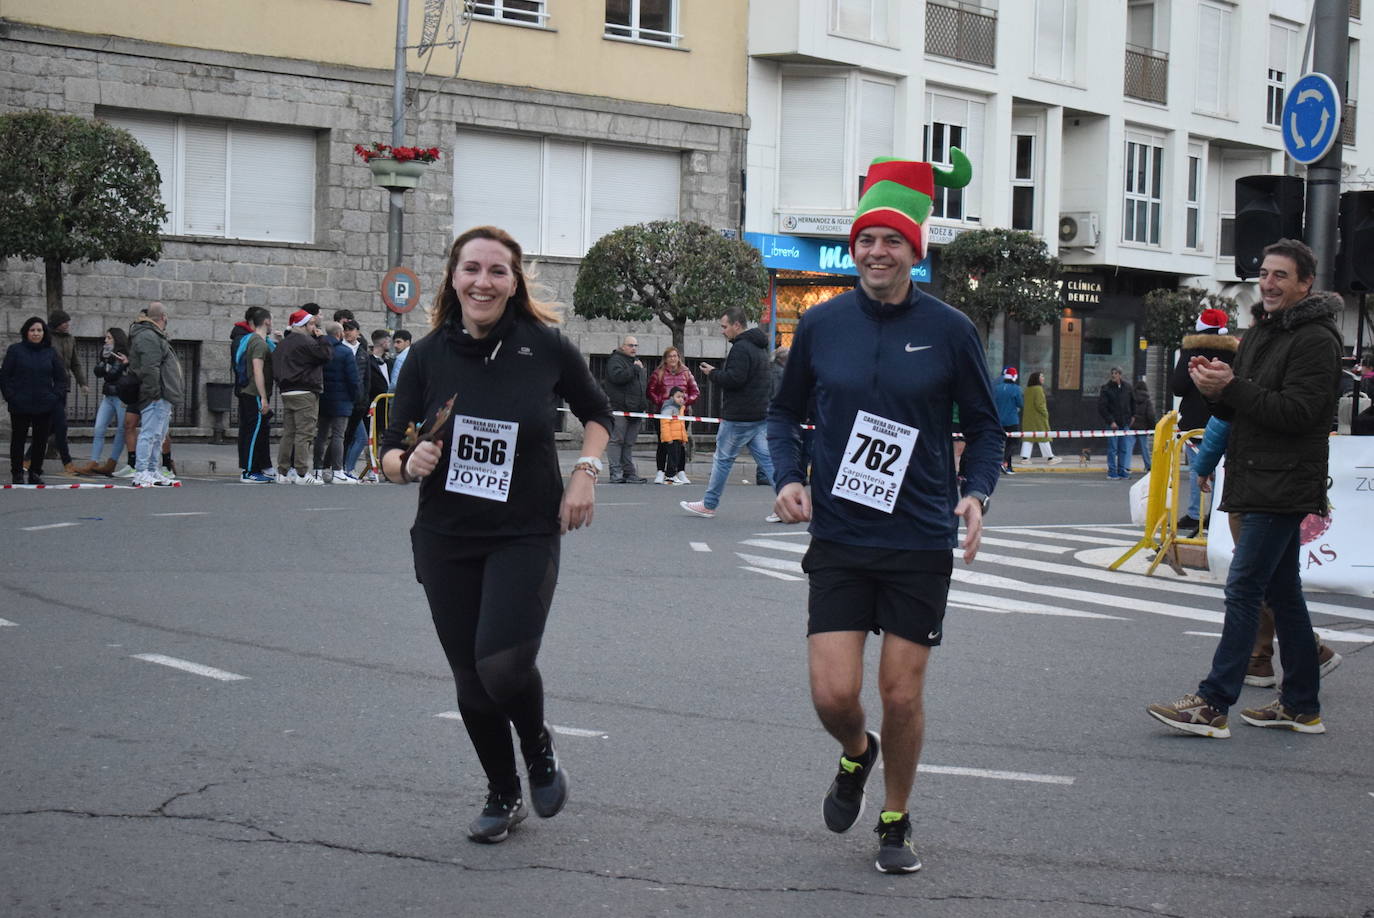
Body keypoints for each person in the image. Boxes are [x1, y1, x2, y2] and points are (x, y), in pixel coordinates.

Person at [769, 151, 1003, 874]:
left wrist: (976, 490)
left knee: (901, 694)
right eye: (866, 239)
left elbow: (988, 426)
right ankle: (855, 754)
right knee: (835, 694)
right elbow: (784, 415)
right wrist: (787, 476)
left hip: (917, 535)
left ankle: (895, 819)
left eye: (891, 240)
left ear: (914, 251)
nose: (876, 251)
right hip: (840, 531)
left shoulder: (951, 329)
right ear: (855, 248)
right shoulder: (823, 324)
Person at [380, 225, 612, 844]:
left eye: (497, 271)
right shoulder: (427, 355)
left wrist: (585, 474)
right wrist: (408, 464)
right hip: (446, 536)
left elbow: (598, 414)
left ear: (514, 283)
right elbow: (390, 449)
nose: (483, 281)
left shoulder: (544, 345)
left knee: (504, 668)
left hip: (525, 532)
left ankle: (537, 746)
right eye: (472, 269)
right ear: (453, 278)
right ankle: (503, 792)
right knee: (471, 681)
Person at [1148, 239, 1342, 738]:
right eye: (1264, 273)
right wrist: (1217, 391)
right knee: (1282, 592)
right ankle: (1301, 704)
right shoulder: (1258, 332)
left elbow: (1299, 414)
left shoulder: (1317, 339)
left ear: (1305, 284)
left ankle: (1213, 703)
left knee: (1244, 587)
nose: (1269, 283)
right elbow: (1242, 409)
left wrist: (1231, 388)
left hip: (1285, 483)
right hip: (1256, 477)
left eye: (1281, 275)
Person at [1188, 414, 1343, 686]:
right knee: (1275, 583)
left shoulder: (1255, 378)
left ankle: (1304, 653)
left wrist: (1203, 464)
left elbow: (1222, 420)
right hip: (1277, 484)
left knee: (1254, 584)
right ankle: (1263, 661)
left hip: (1258, 486)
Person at [680, 307, 775, 519]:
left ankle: (709, 504)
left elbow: (735, 379)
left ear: (736, 325)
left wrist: (713, 373)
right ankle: (789, 503)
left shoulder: (741, 348)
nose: (723, 331)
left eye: (724, 327)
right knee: (768, 461)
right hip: (758, 414)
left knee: (722, 460)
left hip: (739, 416)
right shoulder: (760, 348)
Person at [1170, 308, 1238, 531]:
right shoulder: (1235, 351)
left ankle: (1195, 513)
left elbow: (1178, 386)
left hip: (1195, 420)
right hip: (1227, 416)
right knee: (1224, 470)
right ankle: (1219, 513)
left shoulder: (1192, 350)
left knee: (1197, 469)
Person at [2, 316, 68, 486]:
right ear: (26, 332)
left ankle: (35, 472)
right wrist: (11, 396)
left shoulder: (50, 352)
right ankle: (17, 472)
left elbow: (61, 378)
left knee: (40, 441)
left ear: (44, 333)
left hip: (44, 404)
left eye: (39, 330)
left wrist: (54, 397)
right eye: (32, 330)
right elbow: (5, 376)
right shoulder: (15, 350)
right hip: (20, 403)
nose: (36, 333)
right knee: (18, 439)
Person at [271, 308, 333, 485]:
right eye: (311, 324)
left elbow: (275, 366)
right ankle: (301, 473)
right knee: (304, 433)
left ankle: (282, 472)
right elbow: (326, 355)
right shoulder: (306, 341)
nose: (314, 327)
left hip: (286, 391)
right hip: (305, 391)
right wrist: (321, 338)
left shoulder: (283, 343)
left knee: (289, 433)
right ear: (303, 325)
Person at [127, 303, 184, 488]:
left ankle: (152, 470)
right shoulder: (148, 335)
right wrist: (155, 393)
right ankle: (141, 471)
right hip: (156, 394)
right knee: (149, 434)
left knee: (158, 435)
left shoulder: (152, 335)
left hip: (162, 393)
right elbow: (150, 367)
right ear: (163, 317)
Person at [26, 309, 85, 476]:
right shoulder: (47, 339)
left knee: (49, 428)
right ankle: (67, 462)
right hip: (48, 389)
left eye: (68, 321)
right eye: (64, 321)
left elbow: (75, 363)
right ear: (56, 323)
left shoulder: (70, 339)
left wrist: (83, 383)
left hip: (62, 387)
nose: (67, 324)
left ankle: (28, 459)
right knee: (61, 426)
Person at [313, 320, 362, 485]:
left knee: (321, 435)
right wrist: (355, 397)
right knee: (338, 435)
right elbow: (353, 378)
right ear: (339, 333)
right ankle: (337, 471)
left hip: (323, 398)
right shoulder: (345, 352)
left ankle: (317, 470)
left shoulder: (319, 349)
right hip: (341, 399)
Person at [80, 327, 132, 476]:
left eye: (109, 338)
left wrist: (112, 362)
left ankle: (112, 462)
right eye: (106, 338)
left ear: (116, 339)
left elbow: (112, 375)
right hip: (108, 395)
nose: (106, 341)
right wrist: (104, 360)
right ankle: (93, 461)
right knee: (99, 428)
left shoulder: (122, 354)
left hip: (121, 396)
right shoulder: (108, 354)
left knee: (121, 430)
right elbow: (98, 372)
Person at [646, 345, 699, 484]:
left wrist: (685, 402)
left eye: (675, 356)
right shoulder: (659, 373)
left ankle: (680, 471)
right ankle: (660, 471)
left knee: (680, 442)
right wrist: (660, 402)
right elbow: (650, 391)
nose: (673, 359)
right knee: (664, 442)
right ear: (665, 359)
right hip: (663, 414)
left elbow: (695, 392)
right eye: (670, 356)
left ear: (678, 358)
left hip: (682, 414)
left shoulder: (686, 372)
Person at [235, 307, 276, 483]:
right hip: (254, 393)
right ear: (266, 321)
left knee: (251, 432)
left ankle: (255, 468)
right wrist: (264, 397)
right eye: (271, 320)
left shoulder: (251, 340)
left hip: (249, 392)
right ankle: (249, 471)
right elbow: (257, 370)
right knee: (252, 433)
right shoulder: (259, 343)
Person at [603, 334, 649, 484]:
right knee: (617, 440)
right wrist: (635, 369)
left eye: (636, 345)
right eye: (630, 345)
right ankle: (615, 472)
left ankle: (629, 473)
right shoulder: (615, 360)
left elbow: (641, 386)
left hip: (636, 409)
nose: (634, 348)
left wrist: (644, 403)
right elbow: (618, 378)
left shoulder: (636, 362)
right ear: (623, 346)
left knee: (629, 442)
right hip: (620, 408)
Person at [339, 318, 371, 482]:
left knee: (357, 437)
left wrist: (364, 400)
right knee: (350, 437)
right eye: (345, 329)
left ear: (358, 332)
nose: (348, 332)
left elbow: (366, 379)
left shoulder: (363, 352)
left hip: (358, 403)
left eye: (351, 329)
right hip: (343, 400)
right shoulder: (340, 349)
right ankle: (345, 468)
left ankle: (346, 468)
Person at [1097, 366, 1135, 480]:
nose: (1114, 375)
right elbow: (1102, 407)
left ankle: (1122, 470)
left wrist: (1133, 416)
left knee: (1123, 448)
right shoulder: (1106, 389)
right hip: (1113, 424)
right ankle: (1112, 471)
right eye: (1112, 373)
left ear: (1120, 375)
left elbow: (1133, 402)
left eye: (1116, 373)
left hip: (1125, 423)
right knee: (1112, 449)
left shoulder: (1127, 387)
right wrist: (1111, 421)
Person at [1018, 372, 1060, 465]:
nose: (1043, 378)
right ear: (1037, 378)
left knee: (1028, 438)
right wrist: (1045, 413)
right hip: (1038, 418)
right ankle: (1050, 458)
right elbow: (1040, 404)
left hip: (1028, 418)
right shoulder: (1038, 389)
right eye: (1041, 376)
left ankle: (1025, 458)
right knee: (1043, 436)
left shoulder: (1028, 389)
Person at [993, 366, 1023, 474]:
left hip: (999, 419)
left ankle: (1006, 466)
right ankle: (1005, 462)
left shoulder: (997, 388)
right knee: (1013, 442)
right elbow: (1020, 403)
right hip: (1011, 420)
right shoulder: (1016, 389)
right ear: (1014, 376)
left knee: (999, 443)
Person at [658, 386, 690, 483]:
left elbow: (681, 424)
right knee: (672, 456)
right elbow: (665, 423)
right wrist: (668, 438)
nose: (681, 399)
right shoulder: (669, 407)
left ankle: (672, 474)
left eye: (682, 397)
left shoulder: (681, 408)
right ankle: (670, 475)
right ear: (671, 397)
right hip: (671, 437)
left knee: (677, 456)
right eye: (678, 397)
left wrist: (684, 438)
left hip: (678, 437)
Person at [1131, 378, 1157, 473]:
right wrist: (1152, 427)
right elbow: (1150, 415)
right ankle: (1148, 466)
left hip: (1132, 426)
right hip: (1143, 427)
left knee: (1129, 447)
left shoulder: (1132, 398)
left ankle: (1126, 466)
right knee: (1144, 448)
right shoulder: (1147, 400)